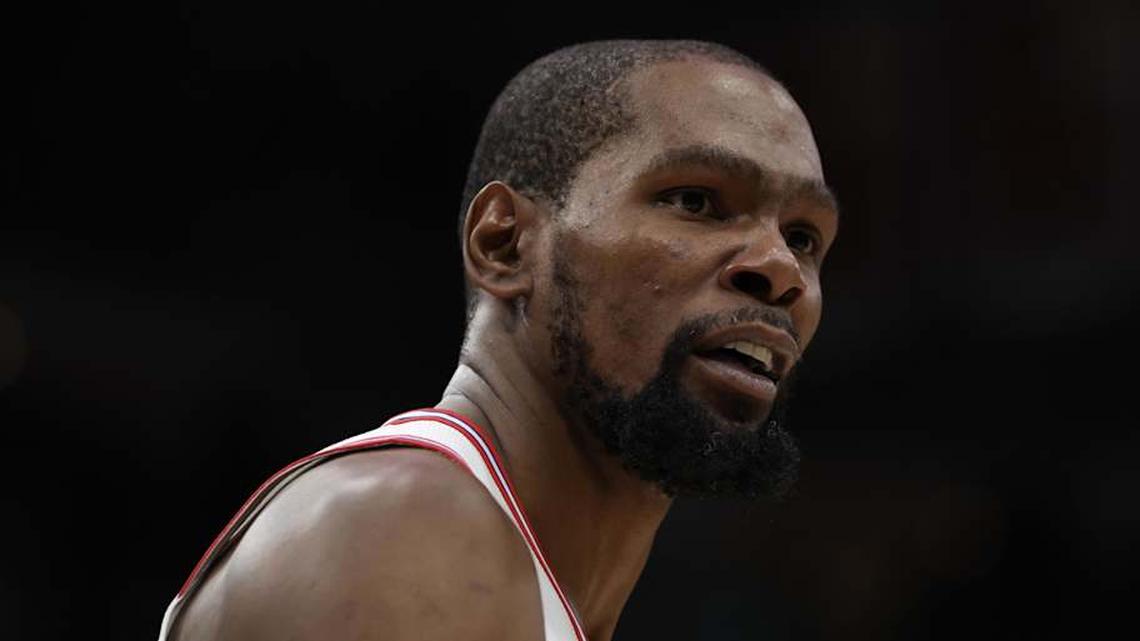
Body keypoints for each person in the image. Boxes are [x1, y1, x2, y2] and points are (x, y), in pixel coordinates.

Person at [159, 39, 839, 641]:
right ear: (505, 244)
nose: (780, 269)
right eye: (696, 200)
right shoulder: (407, 529)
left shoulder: (505, 570)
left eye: (804, 237)